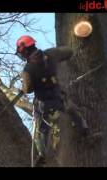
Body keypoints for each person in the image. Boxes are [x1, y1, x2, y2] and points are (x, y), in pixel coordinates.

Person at [16, 35, 89, 165]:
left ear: (25, 51)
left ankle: (42, 155)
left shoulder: (28, 70)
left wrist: (29, 84)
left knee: (42, 129)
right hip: (58, 95)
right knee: (71, 110)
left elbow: (28, 89)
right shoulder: (51, 54)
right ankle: (83, 129)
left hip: (43, 102)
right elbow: (69, 52)